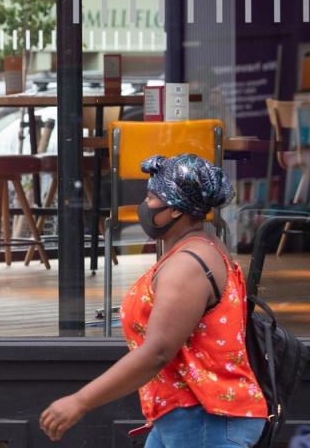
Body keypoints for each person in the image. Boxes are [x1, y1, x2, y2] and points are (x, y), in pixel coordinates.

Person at [39, 153, 268, 446]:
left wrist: (80, 401)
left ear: (174, 210)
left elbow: (158, 351)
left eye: (151, 198)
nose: (144, 206)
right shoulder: (197, 249)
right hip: (184, 416)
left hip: (205, 420)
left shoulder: (188, 265)